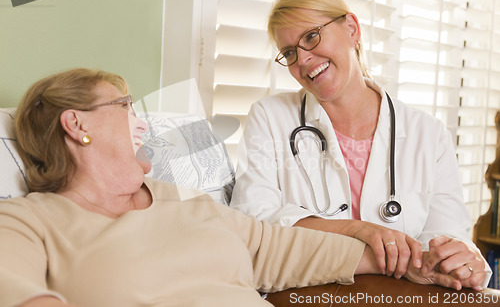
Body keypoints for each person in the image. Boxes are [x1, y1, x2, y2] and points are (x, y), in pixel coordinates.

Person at [0, 68, 459, 307]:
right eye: (124, 105)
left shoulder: (187, 203)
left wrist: (417, 264)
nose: (141, 122)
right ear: (76, 123)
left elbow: (289, 250)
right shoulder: (30, 220)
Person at [230, 0, 490, 290]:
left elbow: (446, 237)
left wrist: (458, 259)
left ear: (352, 29)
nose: (302, 59)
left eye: (311, 37)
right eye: (289, 52)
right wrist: (358, 230)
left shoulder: (428, 134)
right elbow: (254, 225)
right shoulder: (270, 117)